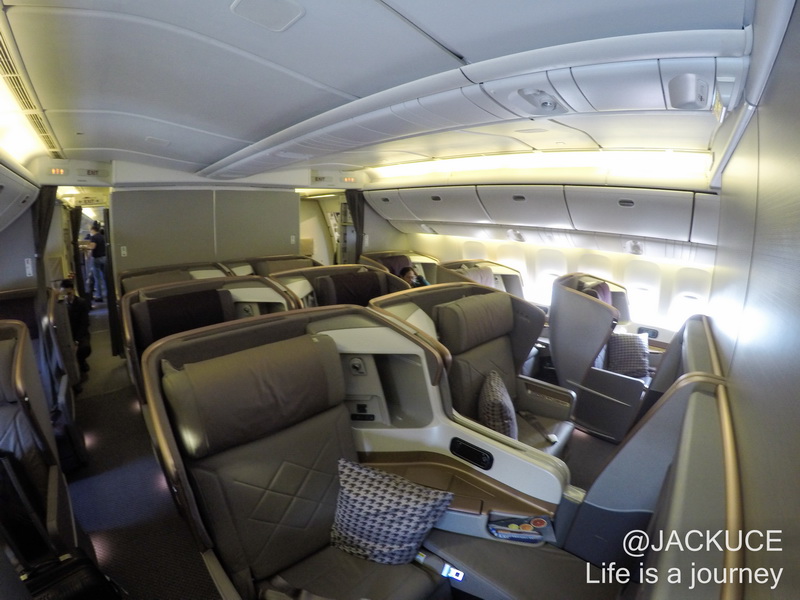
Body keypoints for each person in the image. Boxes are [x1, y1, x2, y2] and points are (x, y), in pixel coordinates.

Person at [59, 279, 92, 377]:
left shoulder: (81, 303)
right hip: (67, 334)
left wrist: (76, 341)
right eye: (64, 294)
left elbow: (84, 324)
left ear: (73, 291)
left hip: (79, 333)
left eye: (68, 293)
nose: (66, 296)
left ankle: (81, 361)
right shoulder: (60, 305)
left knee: (84, 348)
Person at [86, 223, 107, 303]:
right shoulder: (102, 236)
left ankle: (99, 296)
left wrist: (86, 247)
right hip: (104, 258)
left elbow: (93, 246)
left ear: (92, 230)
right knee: (104, 277)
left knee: (97, 278)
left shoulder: (94, 237)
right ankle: (107, 293)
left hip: (97, 259)